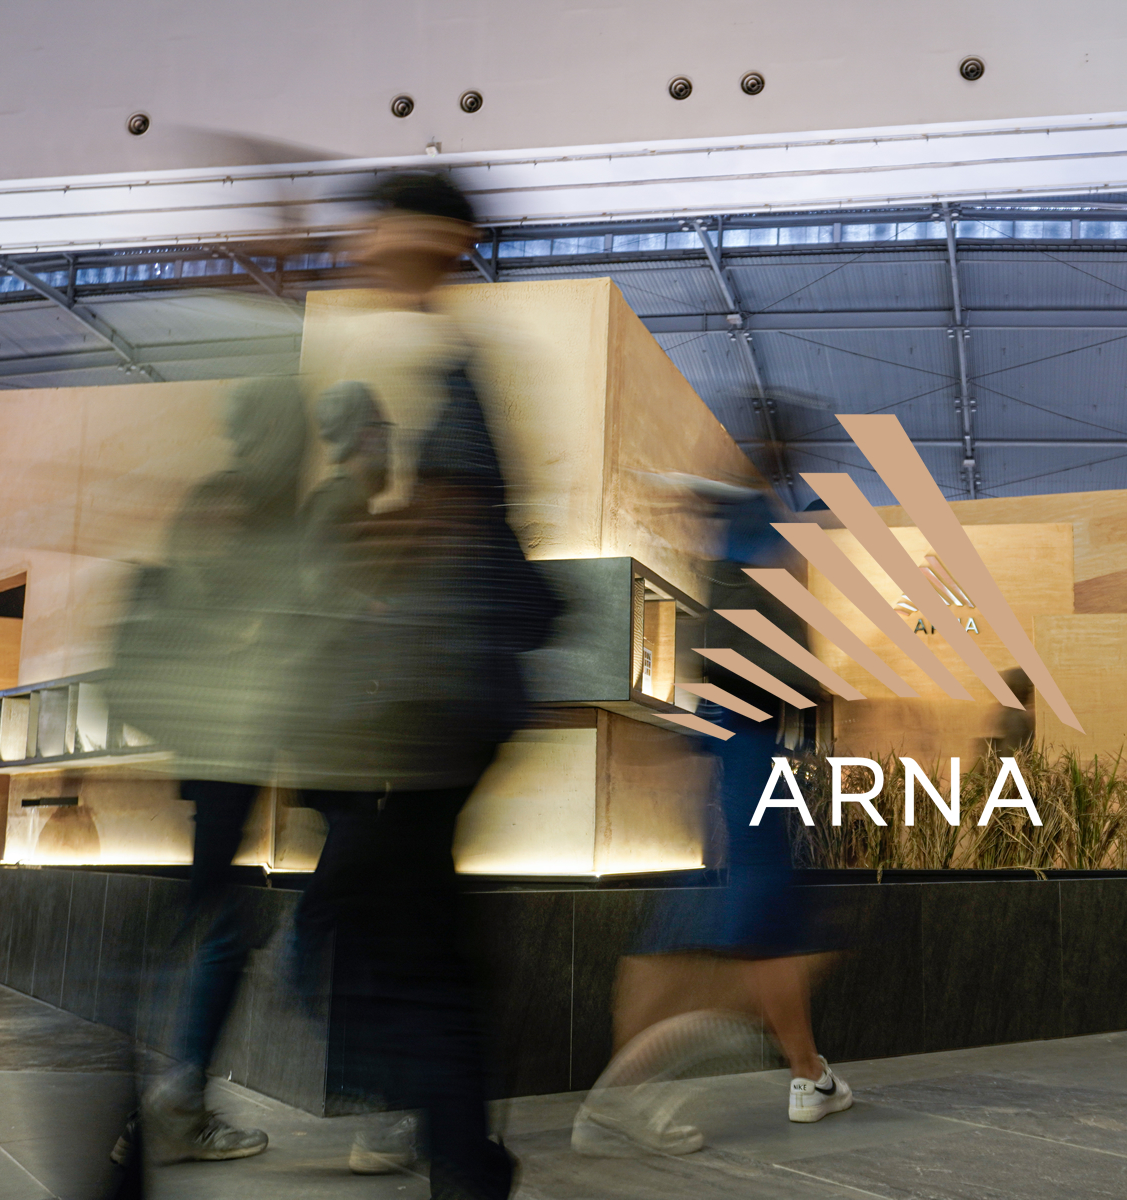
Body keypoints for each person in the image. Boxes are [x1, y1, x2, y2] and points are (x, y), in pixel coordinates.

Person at [286, 171, 558, 1200]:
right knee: (414, 929)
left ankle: (456, 1146)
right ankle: (464, 1150)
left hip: (420, 703)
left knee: (367, 929)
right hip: (421, 703)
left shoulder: (442, 360)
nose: (359, 240)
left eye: (378, 221)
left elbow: (451, 521)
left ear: (434, 235)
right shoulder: (421, 352)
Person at [574, 483, 851, 1157]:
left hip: (732, 763)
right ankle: (624, 1099)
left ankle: (808, 1074)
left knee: (731, 934)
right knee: (763, 939)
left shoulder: (733, 563)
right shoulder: (761, 562)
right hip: (750, 764)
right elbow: (779, 673)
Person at [106, 377, 310, 1163]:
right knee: (218, 925)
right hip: (228, 747)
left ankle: (167, 1102)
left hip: (219, 754)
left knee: (213, 919)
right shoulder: (248, 509)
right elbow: (248, 627)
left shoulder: (220, 500)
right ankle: (174, 1103)